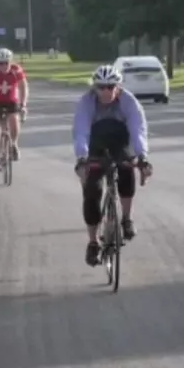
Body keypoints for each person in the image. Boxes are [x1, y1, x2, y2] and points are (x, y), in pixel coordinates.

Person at [73, 64, 153, 266]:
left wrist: (142, 156)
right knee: (92, 189)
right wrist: (82, 158)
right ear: (95, 88)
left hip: (120, 142)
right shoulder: (86, 102)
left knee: (127, 169)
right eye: (101, 87)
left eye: (111, 87)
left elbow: (137, 129)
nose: (106, 91)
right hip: (96, 144)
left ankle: (126, 218)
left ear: (118, 87)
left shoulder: (129, 102)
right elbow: (81, 130)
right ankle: (93, 242)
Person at [0, 48, 28, 172]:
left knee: (14, 121)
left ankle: (14, 144)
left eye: (6, 63)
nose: (3, 66)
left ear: (10, 62)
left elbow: (23, 87)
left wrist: (23, 103)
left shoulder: (16, 69)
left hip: (11, 101)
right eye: (0, 63)